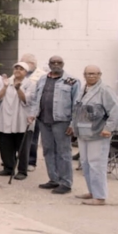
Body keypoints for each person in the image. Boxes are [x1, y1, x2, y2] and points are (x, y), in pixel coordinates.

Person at [71, 66, 118, 206]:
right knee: (85, 164)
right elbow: (77, 110)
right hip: (83, 132)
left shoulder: (105, 90)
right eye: (88, 74)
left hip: (99, 133)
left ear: (100, 74)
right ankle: (92, 191)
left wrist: (109, 128)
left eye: (94, 74)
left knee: (97, 164)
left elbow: (117, 109)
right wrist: (72, 125)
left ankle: (100, 196)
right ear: (84, 75)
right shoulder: (83, 89)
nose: (91, 76)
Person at [28, 56, 79, 195]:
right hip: (44, 121)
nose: (56, 65)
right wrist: (32, 114)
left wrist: (73, 124)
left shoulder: (72, 81)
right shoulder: (42, 79)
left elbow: (77, 104)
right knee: (48, 150)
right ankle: (54, 179)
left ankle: (66, 183)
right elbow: (35, 99)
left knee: (64, 153)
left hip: (62, 122)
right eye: (53, 63)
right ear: (49, 64)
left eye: (59, 62)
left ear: (63, 64)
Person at [0, 62, 32, 179]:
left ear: (26, 72)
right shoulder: (6, 81)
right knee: (5, 145)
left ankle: (22, 170)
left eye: (21, 69)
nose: (18, 70)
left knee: (22, 146)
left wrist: (18, 89)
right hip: (5, 117)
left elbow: (27, 100)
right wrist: (5, 87)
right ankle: (8, 168)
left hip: (21, 118)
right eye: (16, 68)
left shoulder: (30, 83)